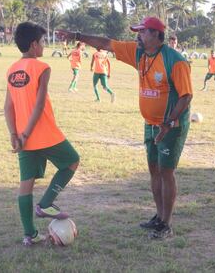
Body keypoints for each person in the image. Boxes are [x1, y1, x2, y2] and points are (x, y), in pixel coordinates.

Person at [57, 16, 193, 239]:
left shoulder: (175, 61)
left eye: (142, 32)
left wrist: (168, 123)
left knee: (166, 172)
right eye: (138, 32)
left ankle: (166, 223)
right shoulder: (139, 52)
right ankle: (158, 217)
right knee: (154, 170)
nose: (137, 36)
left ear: (156, 35)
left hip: (171, 126)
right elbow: (106, 43)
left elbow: (186, 95)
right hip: (150, 124)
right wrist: (77, 36)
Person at [4, 22, 80, 247]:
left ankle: (30, 235)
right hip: (43, 133)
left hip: (22, 137)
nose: (44, 46)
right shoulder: (42, 67)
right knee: (72, 162)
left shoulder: (12, 69)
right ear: (34, 44)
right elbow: (38, 105)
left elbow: (8, 106)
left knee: (25, 185)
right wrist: (27, 132)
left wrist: (14, 134)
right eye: (43, 42)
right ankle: (46, 203)